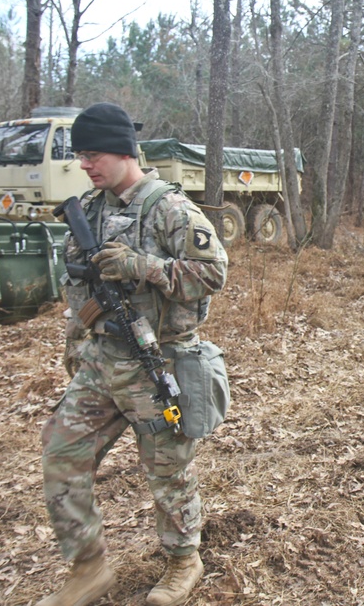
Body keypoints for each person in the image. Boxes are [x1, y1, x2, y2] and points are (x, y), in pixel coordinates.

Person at [38, 102, 228, 606]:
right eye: (80, 155)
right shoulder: (91, 208)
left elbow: (213, 274)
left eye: (93, 154)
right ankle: (87, 567)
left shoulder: (169, 208)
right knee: (61, 455)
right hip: (100, 363)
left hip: (156, 364)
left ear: (124, 152)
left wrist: (141, 265)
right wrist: (76, 345)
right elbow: (78, 289)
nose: (85, 164)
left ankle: (184, 561)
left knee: (167, 472)